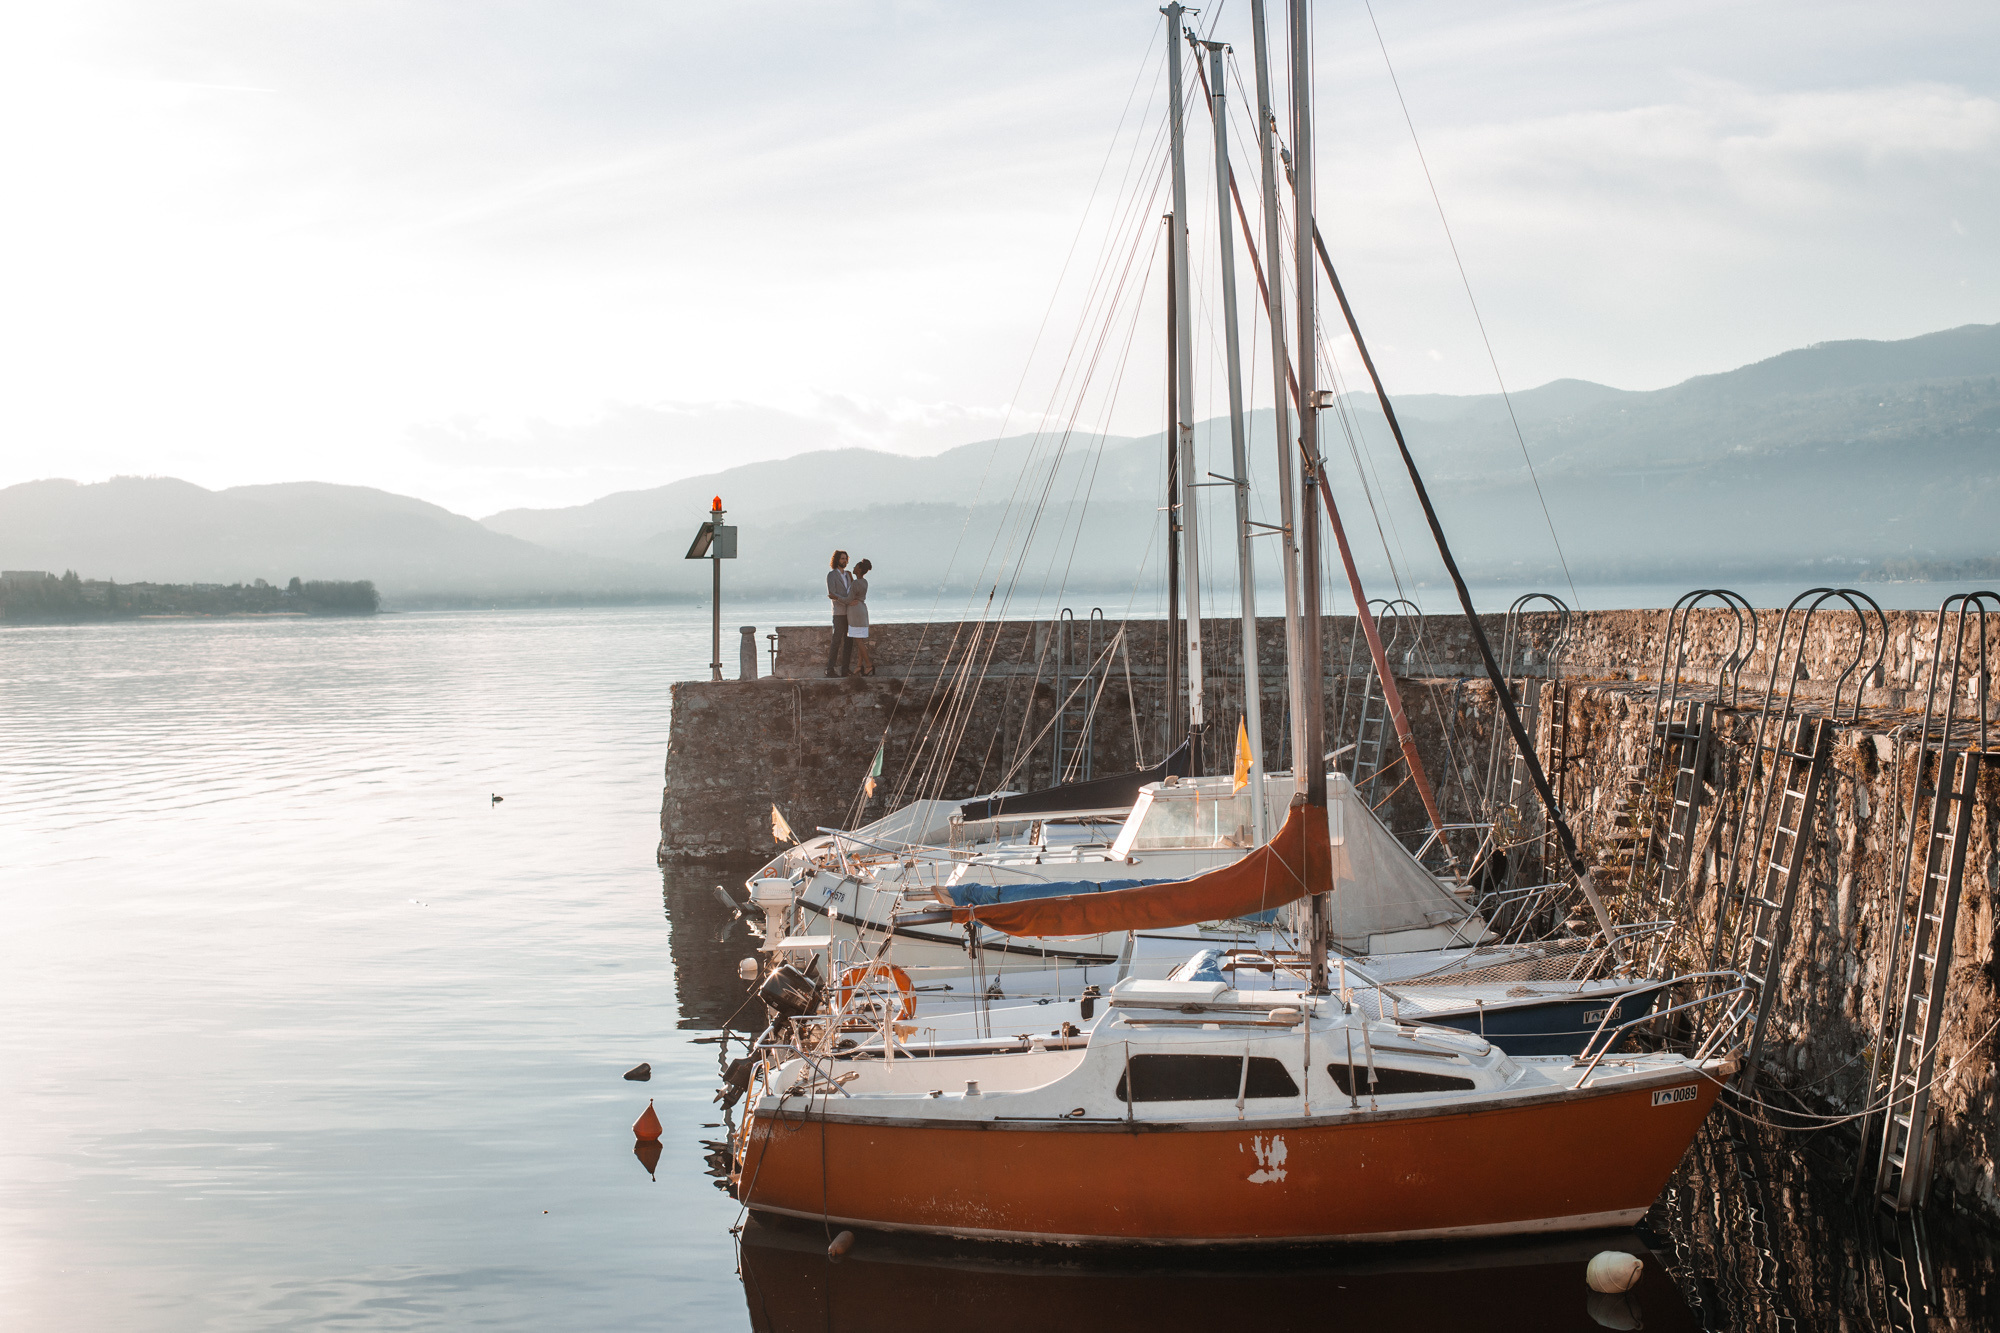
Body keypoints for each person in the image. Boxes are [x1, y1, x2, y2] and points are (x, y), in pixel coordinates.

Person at [825, 550, 855, 677]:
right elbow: (832, 594)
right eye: (842, 558)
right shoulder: (831, 575)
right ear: (836, 560)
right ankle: (829, 669)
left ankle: (845, 669)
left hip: (850, 612)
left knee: (849, 641)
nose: (844, 561)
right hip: (838, 612)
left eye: (845, 558)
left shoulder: (848, 575)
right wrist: (847, 601)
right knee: (836, 640)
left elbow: (852, 591)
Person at [846, 559, 874, 676]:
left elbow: (848, 599)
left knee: (858, 641)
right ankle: (859, 666)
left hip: (855, 613)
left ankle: (868, 665)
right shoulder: (864, 582)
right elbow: (856, 588)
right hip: (862, 610)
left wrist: (835, 597)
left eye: (855, 566)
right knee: (860, 640)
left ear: (859, 569)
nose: (853, 567)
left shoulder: (855, 584)